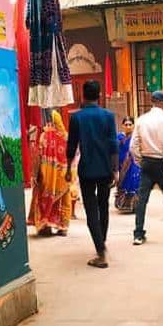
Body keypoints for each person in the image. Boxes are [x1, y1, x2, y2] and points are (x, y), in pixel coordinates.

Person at [66, 80, 118, 268]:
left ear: (83, 95)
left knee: (91, 210)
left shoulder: (77, 118)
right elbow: (113, 144)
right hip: (105, 169)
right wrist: (115, 169)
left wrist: (67, 168)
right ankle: (101, 243)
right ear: (100, 95)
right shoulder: (108, 116)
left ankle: (100, 251)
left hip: (87, 170)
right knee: (103, 206)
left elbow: (71, 146)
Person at [130, 91, 163, 245]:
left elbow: (133, 145)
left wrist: (140, 160)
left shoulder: (141, 119)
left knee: (142, 199)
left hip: (147, 162)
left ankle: (138, 234)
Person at [27, 111, 72, 236]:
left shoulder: (44, 136)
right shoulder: (66, 137)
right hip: (64, 176)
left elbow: (38, 156)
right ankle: (63, 227)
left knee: (45, 198)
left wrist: (35, 174)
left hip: (47, 175)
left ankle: (45, 225)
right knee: (64, 200)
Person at [115, 116, 141, 213]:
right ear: (122, 125)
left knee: (133, 182)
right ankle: (122, 204)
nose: (128, 126)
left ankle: (134, 206)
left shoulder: (135, 137)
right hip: (122, 164)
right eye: (126, 124)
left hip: (133, 163)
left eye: (130, 124)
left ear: (133, 125)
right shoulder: (119, 137)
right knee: (122, 182)